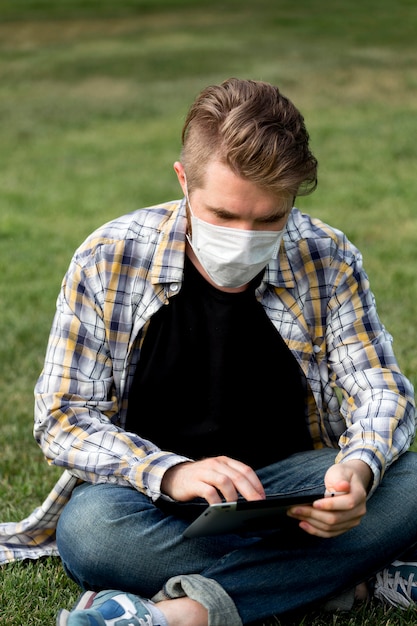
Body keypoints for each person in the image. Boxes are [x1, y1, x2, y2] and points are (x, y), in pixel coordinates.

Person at [1, 78, 417, 626]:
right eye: (223, 215)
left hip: (290, 491)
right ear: (183, 180)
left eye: (270, 219)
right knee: (90, 533)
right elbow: (61, 417)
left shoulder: (328, 256)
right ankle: (343, 574)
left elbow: (380, 387)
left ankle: (172, 616)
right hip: (152, 500)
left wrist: (358, 473)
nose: (245, 238)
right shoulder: (108, 256)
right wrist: (172, 473)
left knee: (409, 481)